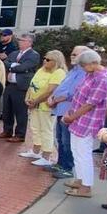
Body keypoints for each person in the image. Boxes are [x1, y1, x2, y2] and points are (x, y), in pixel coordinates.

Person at [61, 50, 107, 198]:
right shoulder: (91, 73)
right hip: (78, 118)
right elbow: (78, 95)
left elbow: (90, 103)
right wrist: (70, 113)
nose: (83, 68)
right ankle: (80, 179)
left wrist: (72, 116)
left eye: (84, 66)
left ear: (94, 63)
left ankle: (86, 186)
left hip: (88, 120)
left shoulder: (101, 78)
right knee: (76, 150)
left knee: (83, 153)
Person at [46, 46, 89, 179]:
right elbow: (62, 87)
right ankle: (60, 163)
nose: (72, 56)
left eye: (76, 55)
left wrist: (56, 99)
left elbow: (73, 92)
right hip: (60, 109)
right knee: (59, 138)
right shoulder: (73, 71)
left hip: (69, 111)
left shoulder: (84, 73)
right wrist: (52, 97)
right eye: (72, 54)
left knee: (67, 141)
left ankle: (67, 168)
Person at [20, 49, 66, 167]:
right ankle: (36, 151)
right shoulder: (41, 70)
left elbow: (50, 91)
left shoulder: (59, 72)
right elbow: (32, 85)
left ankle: (46, 156)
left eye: (48, 59)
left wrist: (35, 101)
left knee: (46, 130)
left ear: (56, 61)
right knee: (35, 128)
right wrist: (28, 97)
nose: (44, 61)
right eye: (44, 58)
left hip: (46, 107)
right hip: (34, 104)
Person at [0, 33, 40, 142]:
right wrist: (14, 66)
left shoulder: (33, 55)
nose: (19, 42)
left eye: (22, 40)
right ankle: (7, 130)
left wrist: (13, 66)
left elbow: (24, 67)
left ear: (29, 42)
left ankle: (20, 134)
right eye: (19, 40)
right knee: (7, 109)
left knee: (20, 111)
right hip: (10, 84)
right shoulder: (14, 53)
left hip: (21, 86)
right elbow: (5, 63)